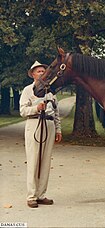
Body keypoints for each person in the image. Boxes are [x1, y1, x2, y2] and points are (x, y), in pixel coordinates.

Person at [19, 61, 62, 208]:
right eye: (38, 71)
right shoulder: (27, 90)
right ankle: (31, 196)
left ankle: (41, 194)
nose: (41, 73)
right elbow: (23, 111)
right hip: (34, 124)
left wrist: (58, 129)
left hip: (49, 125)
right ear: (32, 74)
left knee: (45, 161)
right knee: (33, 160)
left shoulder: (51, 92)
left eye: (43, 71)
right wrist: (36, 108)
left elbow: (56, 112)